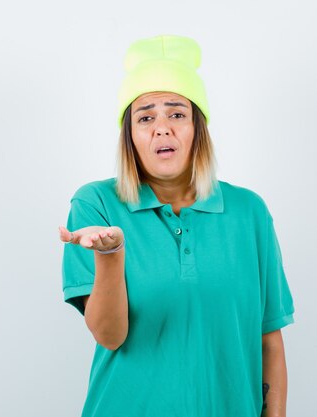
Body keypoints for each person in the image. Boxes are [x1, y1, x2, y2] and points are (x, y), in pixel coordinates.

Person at [57, 34, 296, 417]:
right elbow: (109, 334)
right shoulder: (96, 204)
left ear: (197, 128)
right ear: (130, 137)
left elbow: (268, 339)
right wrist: (111, 255)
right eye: (146, 117)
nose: (162, 128)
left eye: (177, 113)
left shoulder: (249, 212)